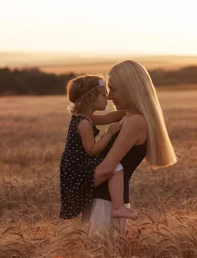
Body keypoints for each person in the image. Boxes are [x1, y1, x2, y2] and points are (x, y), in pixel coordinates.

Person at [82, 60, 177, 235]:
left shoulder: (136, 121)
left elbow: (107, 168)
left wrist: (74, 188)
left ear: (130, 88)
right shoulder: (126, 116)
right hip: (103, 200)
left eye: (114, 90)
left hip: (107, 204)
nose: (109, 97)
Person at [59, 74, 139, 221]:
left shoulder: (86, 117)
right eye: (103, 94)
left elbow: (109, 118)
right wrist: (109, 133)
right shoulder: (83, 123)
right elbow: (92, 150)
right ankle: (118, 207)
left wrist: (129, 109)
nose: (107, 97)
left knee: (115, 168)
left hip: (80, 163)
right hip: (78, 167)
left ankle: (118, 207)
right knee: (117, 168)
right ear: (89, 99)